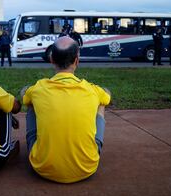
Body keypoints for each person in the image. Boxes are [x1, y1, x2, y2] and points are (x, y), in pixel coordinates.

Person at [22, 36, 111, 183]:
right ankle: (90, 149)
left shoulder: (38, 88)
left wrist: (26, 92)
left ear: (51, 59)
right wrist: (103, 92)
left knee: (31, 103)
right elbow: (107, 96)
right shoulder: (91, 90)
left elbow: (24, 95)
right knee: (101, 103)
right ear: (77, 60)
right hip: (86, 168)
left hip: (42, 168)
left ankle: (42, 151)